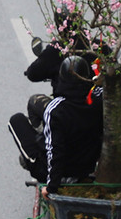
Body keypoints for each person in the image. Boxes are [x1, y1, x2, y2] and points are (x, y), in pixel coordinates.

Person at [9, 55, 101, 192]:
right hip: (85, 169)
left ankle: (35, 159)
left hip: (54, 173)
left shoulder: (56, 109)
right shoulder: (98, 102)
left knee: (16, 120)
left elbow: (55, 151)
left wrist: (51, 187)